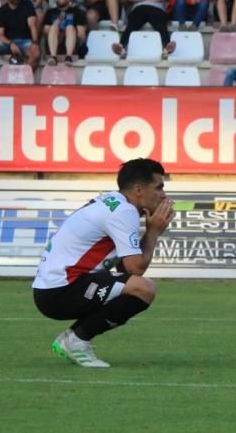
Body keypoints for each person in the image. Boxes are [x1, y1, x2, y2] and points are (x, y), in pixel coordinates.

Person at [33, 157, 173, 368]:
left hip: (52, 288)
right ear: (138, 189)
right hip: (61, 291)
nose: (163, 194)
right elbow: (136, 269)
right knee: (144, 289)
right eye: (159, 187)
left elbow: (125, 269)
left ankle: (74, 339)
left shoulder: (115, 202)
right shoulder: (124, 212)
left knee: (135, 286)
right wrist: (153, 232)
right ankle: (76, 341)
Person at [44, 0, 85, 66]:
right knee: (53, 27)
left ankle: (68, 57)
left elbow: (81, 35)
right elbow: (45, 32)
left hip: (71, 42)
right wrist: (58, 21)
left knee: (70, 27)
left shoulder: (77, 12)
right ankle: (53, 57)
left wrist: (67, 34)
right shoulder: (50, 12)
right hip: (54, 41)